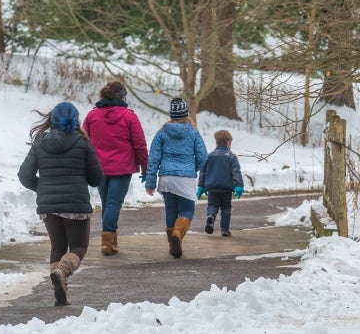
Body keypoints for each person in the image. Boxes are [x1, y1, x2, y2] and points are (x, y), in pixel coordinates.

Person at [17, 102, 103, 306]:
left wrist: (44, 188)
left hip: (48, 206)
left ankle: (61, 287)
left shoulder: (41, 141)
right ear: (75, 120)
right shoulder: (82, 143)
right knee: (79, 246)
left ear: (52, 119)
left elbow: (24, 174)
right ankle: (62, 272)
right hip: (75, 203)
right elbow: (96, 178)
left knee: (57, 247)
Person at [82, 81, 148, 256]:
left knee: (107, 204)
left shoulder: (92, 116)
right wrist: (146, 169)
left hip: (98, 167)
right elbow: (140, 145)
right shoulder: (129, 117)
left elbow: (83, 141)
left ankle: (111, 241)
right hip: (122, 168)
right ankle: (107, 242)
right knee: (113, 204)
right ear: (123, 97)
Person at [144, 97, 208, 258]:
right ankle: (178, 234)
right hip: (185, 178)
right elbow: (202, 156)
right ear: (186, 114)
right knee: (187, 210)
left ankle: (173, 244)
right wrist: (192, 169)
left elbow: (153, 158)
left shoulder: (162, 133)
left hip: (166, 178)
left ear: (171, 115)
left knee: (171, 210)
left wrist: (151, 181)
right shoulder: (193, 132)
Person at [197, 129, 245, 237]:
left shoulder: (209, 156)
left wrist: (201, 186)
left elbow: (203, 172)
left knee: (212, 205)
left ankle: (211, 217)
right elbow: (236, 172)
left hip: (212, 188)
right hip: (226, 188)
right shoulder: (231, 157)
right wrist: (239, 186)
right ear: (228, 142)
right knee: (226, 208)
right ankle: (224, 229)